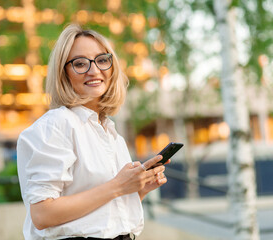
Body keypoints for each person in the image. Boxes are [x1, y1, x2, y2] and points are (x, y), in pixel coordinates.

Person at [17, 23, 169, 240]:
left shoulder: (111, 133)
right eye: (80, 63)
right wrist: (117, 186)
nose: (94, 70)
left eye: (102, 60)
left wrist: (138, 189)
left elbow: (101, 216)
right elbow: (42, 214)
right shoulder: (57, 125)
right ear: (63, 73)